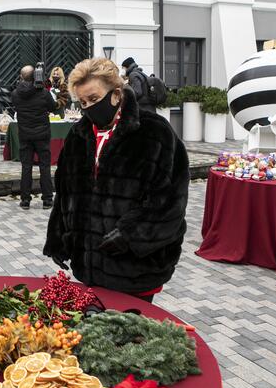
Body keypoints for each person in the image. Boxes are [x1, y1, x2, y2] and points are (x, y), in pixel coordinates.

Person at [43, 58, 189, 303]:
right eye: (83, 103)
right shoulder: (78, 135)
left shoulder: (154, 132)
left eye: (94, 99)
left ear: (116, 94)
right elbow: (65, 194)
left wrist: (130, 235)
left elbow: (170, 201)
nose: (89, 108)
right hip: (88, 267)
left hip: (134, 269)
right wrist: (58, 238)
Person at [11, 65, 57, 210]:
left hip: (25, 135)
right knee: (44, 167)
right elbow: (53, 107)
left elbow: (16, 106)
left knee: (26, 167)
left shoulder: (15, 94)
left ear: (21, 77)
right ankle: (47, 200)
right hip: (42, 135)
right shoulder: (43, 93)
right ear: (37, 76)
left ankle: (25, 200)